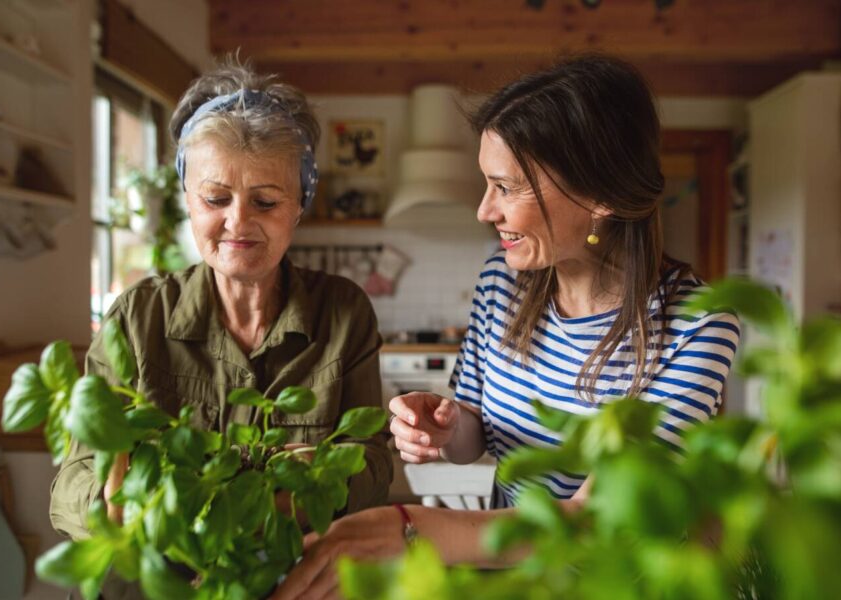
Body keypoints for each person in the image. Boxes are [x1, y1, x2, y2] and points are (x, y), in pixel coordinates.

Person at [271, 54, 741, 599]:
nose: (483, 210)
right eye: (485, 184)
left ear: (600, 198)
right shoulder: (503, 281)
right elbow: (475, 440)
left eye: (506, 187)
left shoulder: (697, 324)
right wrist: (445, 425)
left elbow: (599, 520)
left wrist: (409, 528)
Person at [49, 60, 392, 545]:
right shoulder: (138, 316)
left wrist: (281, 502)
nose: (238, 223)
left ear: (300, 205)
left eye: (267, 202)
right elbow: (72, 480)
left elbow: (373, 462)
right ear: (188, 199)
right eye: (216, 199)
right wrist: (123, 506)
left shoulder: (343, 312)